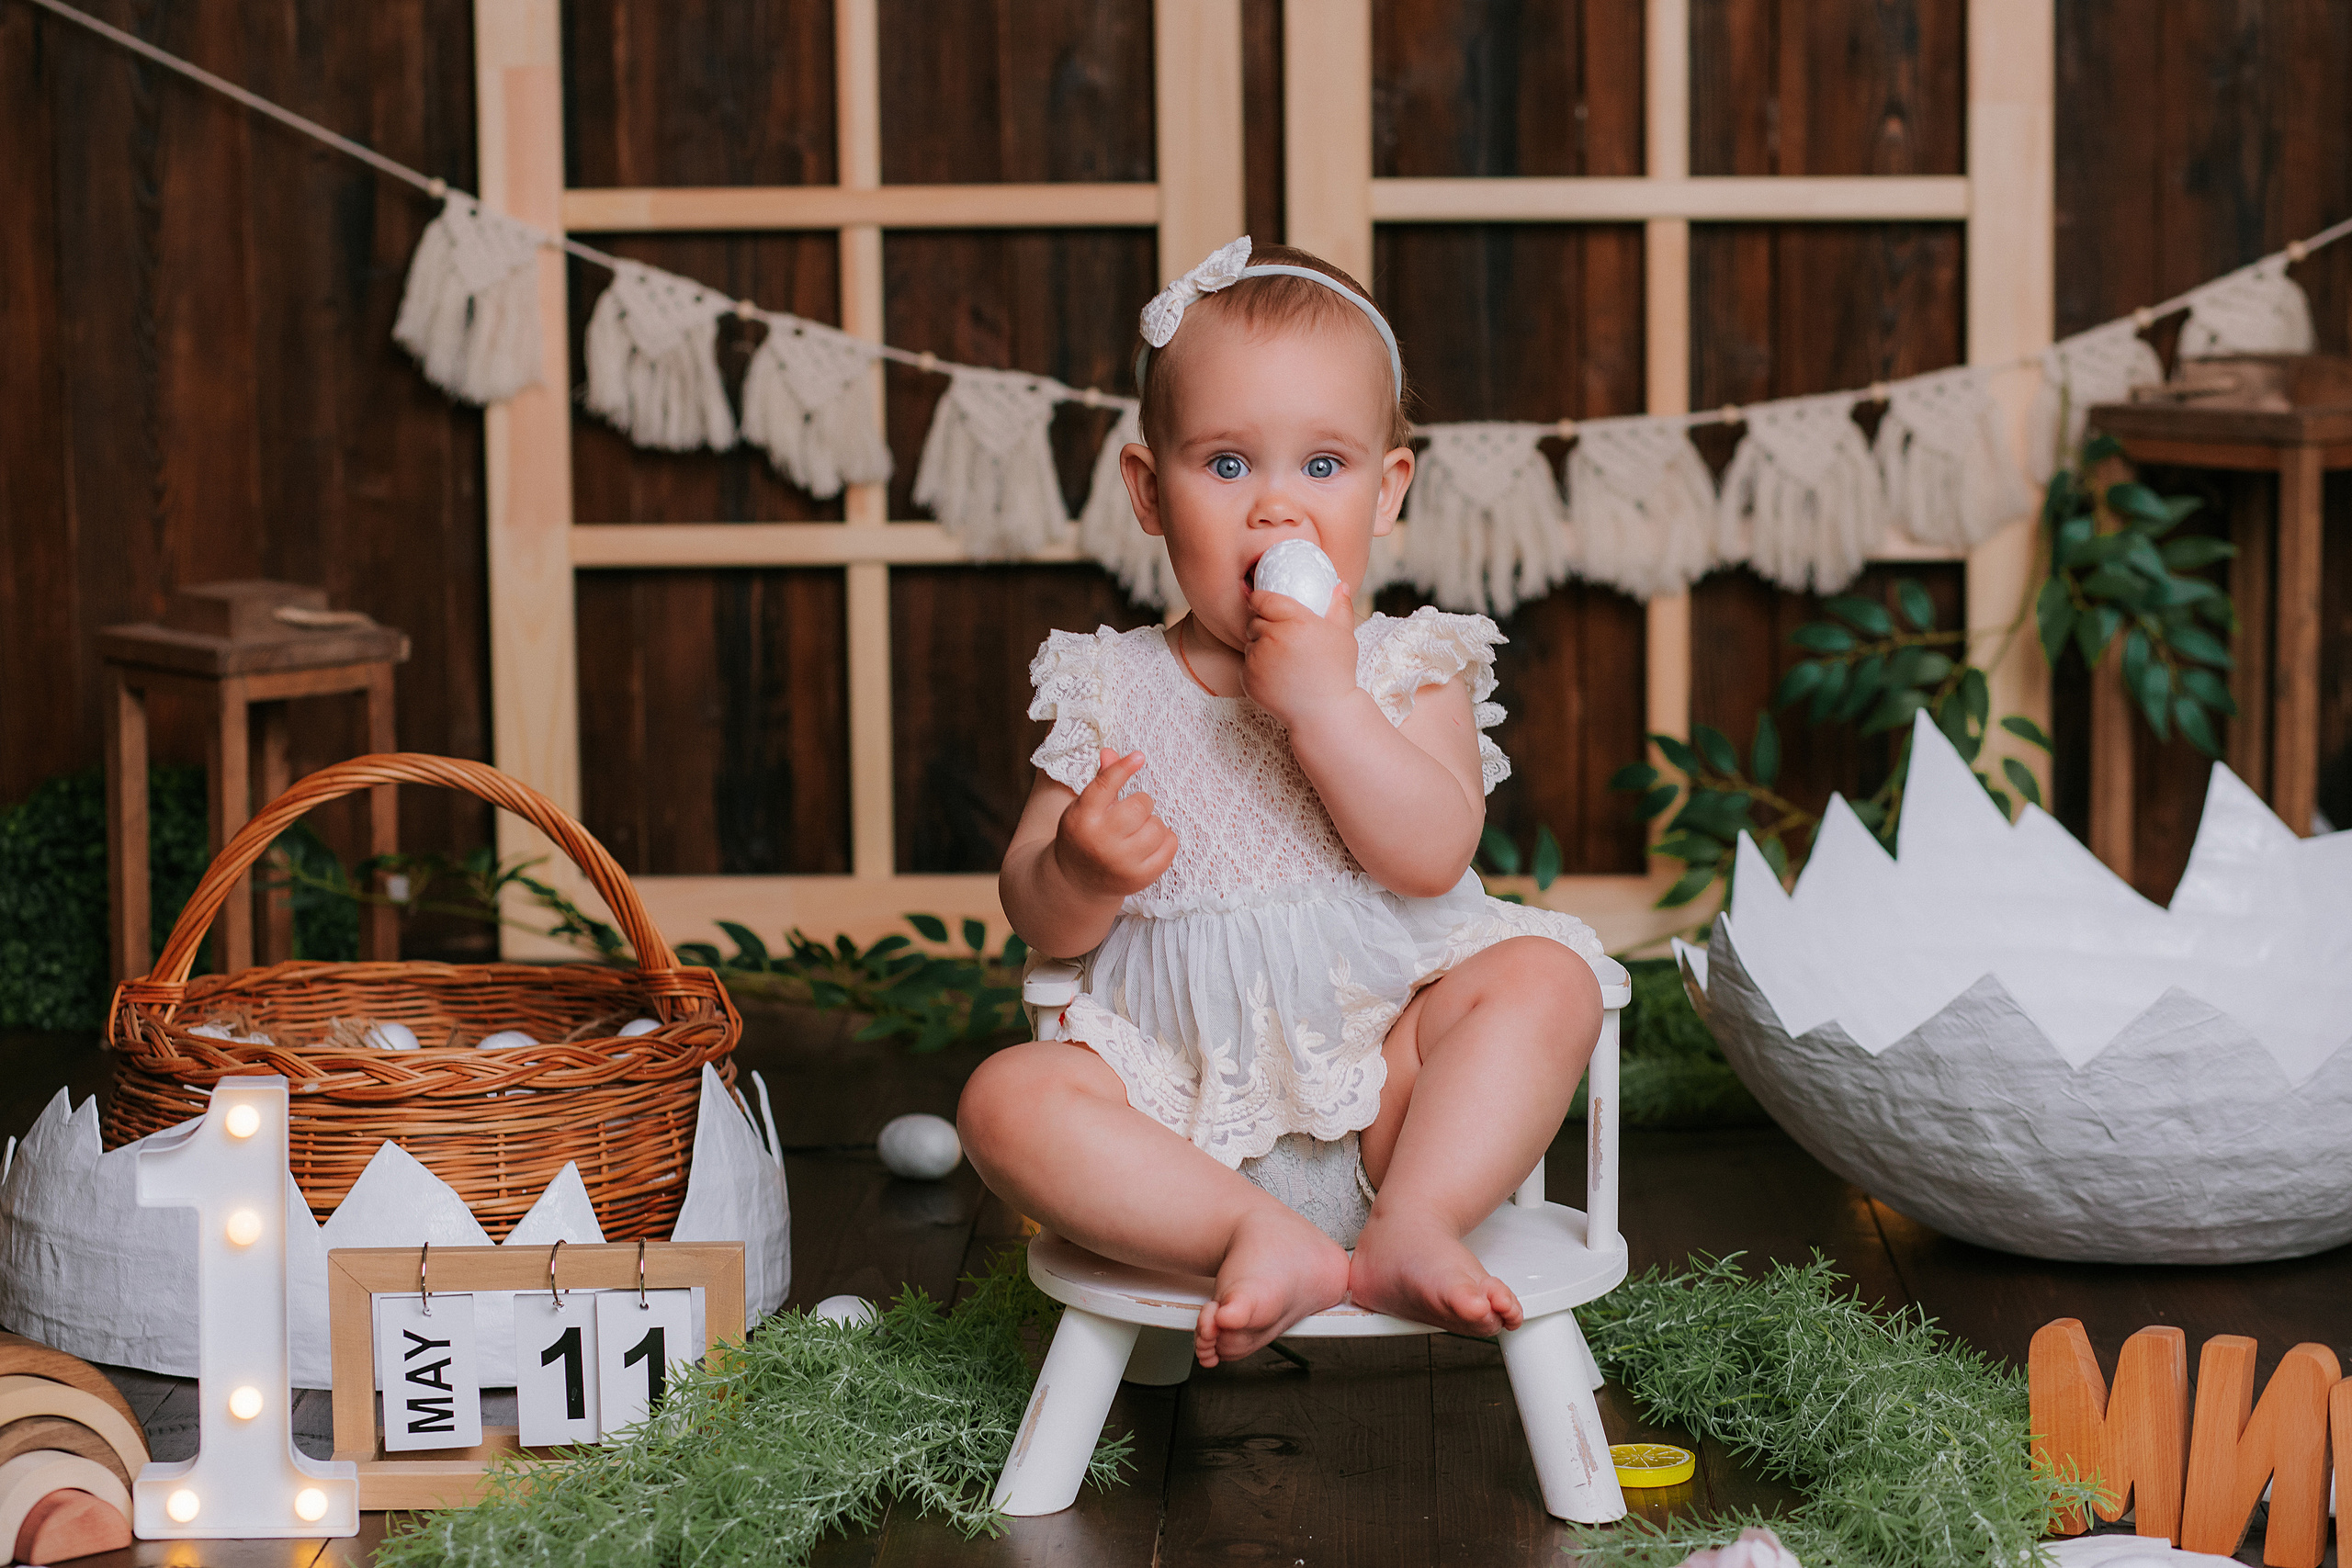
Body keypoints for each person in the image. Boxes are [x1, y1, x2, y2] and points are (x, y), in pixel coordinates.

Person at [957, 237, 1606, 1368]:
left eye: (1322, 466)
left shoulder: (1409, 667)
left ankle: (1416, 1223)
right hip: (1167, 1127)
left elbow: (1431, 852)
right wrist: (1080, 868)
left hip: (1393, 1109)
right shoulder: (1111, 685)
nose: (1277, 512)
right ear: (1150, 494)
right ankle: (1255, 1234)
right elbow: (1037, 918)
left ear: (1387, 488)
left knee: (1545, 982)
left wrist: (1326, 705)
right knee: (1005, 1099)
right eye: (1224, 466)